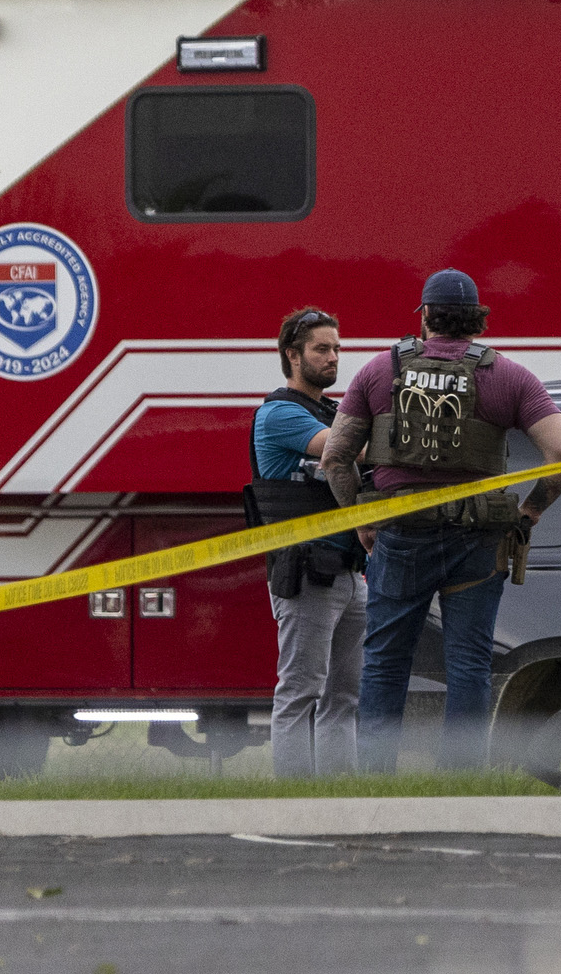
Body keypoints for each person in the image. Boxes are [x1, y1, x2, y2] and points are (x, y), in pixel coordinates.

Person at [320, 269, 561, 771]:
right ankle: (460, 779)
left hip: (401, 535)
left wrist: (362, 517)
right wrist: (530, 512)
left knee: (386, 661)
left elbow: (336, 458)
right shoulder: (509, 376)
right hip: (477, 544)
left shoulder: (379, 371)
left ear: (423, 316)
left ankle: (375, 778)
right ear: (477, 320)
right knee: (469, 665)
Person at [248, 308, 363, 777]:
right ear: (292, 355)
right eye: (321, 348)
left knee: (345, 696)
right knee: (301, 691)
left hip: (350, 571)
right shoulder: (279, 414)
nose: (333, 357)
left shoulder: (332, 411)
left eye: (337, 348)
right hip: (305, 572)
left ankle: (340, 792)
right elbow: (342, 449)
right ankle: (292, 796)